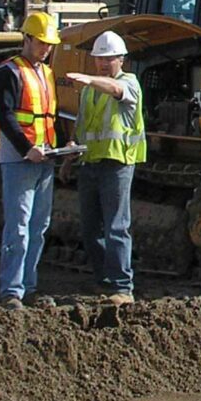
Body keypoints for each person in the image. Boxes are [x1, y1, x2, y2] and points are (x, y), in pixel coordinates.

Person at [66, 31, 146, 306]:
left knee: (116, 226)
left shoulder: (129, 83)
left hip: (117, 164)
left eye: (108, 58)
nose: (102, 63)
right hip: (90, 163)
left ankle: (123, 287)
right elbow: (83, 125)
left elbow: (116, 91)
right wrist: (69, 153)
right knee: (91, 228)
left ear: (121, 59)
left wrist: (90, 79)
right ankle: (104, 281)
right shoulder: (89, 90)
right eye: (99, 59)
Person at [0, 11, 61, 310]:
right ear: (27, 39)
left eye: (49, 44)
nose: (46, 48)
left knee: (37, 227)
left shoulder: (46, 73)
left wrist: (62, 145)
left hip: (45, 158)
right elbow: (6, 116)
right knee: (18, 226)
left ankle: (28, 287)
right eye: (42, 43)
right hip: (20, 159)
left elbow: (50, 115)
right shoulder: (9, 72)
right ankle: (12, 291)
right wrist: (25, 148)